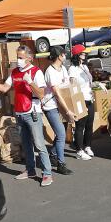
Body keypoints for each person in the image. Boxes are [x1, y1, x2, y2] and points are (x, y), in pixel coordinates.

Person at [0, 45, 53, 186]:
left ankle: (47, 173)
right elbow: (5, 88)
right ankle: (30, 170)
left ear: (29, 58)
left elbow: (42, 94)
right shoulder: (15, 72)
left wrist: (30, 82)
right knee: (26, 144)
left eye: (21, 58)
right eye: (17, 57)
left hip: (33, 113)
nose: (18, 60)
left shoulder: (36, 72)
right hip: (19, 113)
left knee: (39, 144)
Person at [43, 46, 76, 176]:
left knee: (60, 132)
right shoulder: (50, 71)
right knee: (62, 134)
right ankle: (61, 164)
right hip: (51, 105)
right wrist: (68, 111)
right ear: (59, 56)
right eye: (64, 54)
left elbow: (67, 86)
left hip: (61, 104)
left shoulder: (62, 69)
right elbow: (56, 93)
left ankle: (53, 154)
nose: (65, 56)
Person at [68, 44, 96, 160]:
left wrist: (96, 86)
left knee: (89, 124)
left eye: (85, 53)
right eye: (83, 53)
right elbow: (72, 86)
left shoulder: (84, 67)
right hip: (80, 99)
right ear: (77, 55)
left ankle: (87, 146)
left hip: (89, 98)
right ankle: (79, 150)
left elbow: (89, 82)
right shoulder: (72, 69)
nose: (85, 54)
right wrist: (76, 101)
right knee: (80, 125)